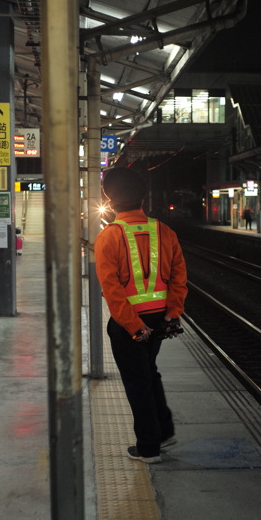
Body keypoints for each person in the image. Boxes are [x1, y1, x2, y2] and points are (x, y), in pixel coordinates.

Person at [94, 167, 187, 464]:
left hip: (128, 324)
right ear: (143, 195)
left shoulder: (109, 237)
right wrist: (172, 315)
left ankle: (148, 447)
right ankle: (163, 431)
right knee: (149, 373)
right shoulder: (164, 231)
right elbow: (178, 277)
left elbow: (112, 291)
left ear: (109, 197)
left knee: (138, 383)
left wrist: (134, 327)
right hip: (159, 318)